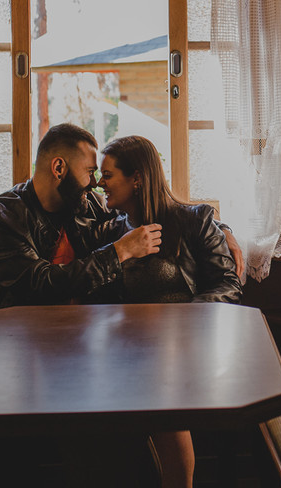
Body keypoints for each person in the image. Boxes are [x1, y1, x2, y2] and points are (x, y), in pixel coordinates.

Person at [95, 135, 242, 488]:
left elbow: (228, 285)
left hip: (190, 347)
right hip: (129, 350)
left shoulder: (193, 220)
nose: (100, 183)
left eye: (108, 175)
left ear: (138, 178)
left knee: (161, 385)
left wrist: (177, 324)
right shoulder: (113, 230)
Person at [0, 123, 162, 312]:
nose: (95, 183)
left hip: (80, 331)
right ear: (59, 168)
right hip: (12, 334)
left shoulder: (90, 205)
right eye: (89, 172)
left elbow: (130, 217)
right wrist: (119, 252)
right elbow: (40, 285)